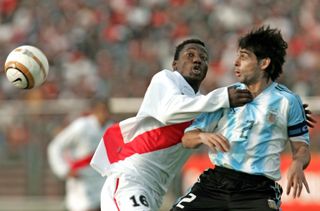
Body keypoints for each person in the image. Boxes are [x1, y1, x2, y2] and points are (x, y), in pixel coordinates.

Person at [90, 38, 254, 211]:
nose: (197, 59)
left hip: (155, 192)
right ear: (175, 64)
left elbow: (196, 138)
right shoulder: (165, 79)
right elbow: (169, 112)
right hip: (131, 179)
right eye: (190, 55)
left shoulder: (205, 105)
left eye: (203, 58)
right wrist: (222, 97)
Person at [171, 25, 312, 211]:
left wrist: (297, 162)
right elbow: (187, 139)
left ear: (264, 63)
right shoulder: (225, 95)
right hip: (215, 184)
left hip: (258, 191)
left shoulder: (288, 102)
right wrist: (202, 136)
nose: (236, 62)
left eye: (244, 56)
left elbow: (302, 148)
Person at [48, 99, 113, 211]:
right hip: (82, 181)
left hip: (102, 180)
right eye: (101, 110)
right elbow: (55, 146)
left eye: (106, 110)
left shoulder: (111, 128)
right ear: (94, 111)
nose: (104, 113)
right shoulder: (82, 126)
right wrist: (63, 170)